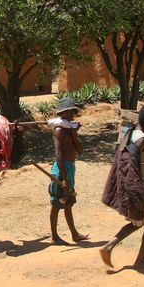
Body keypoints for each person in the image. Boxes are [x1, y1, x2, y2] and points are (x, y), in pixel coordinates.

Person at [100, 104, 144, 268]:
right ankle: (140, 260)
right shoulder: (141, 139)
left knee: (139, 222)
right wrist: (136, 192)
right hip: (141, 184)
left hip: (138, 183)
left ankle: (109, 246)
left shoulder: (133, 133)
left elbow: (141, 150)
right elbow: (133, 162)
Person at [48, 97, 88, 245]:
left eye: (72, 111)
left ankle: (74, 234)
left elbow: (80, 151)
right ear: (61, 114)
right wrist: (63, 178)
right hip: (61, 170)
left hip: (70, 168)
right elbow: (58, 154)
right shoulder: (59, 131)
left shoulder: (71, 130)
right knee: (57, 205)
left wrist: (74, 135)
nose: (70, 114)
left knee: (69, 202)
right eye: (67, 112)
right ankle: (54, 236)